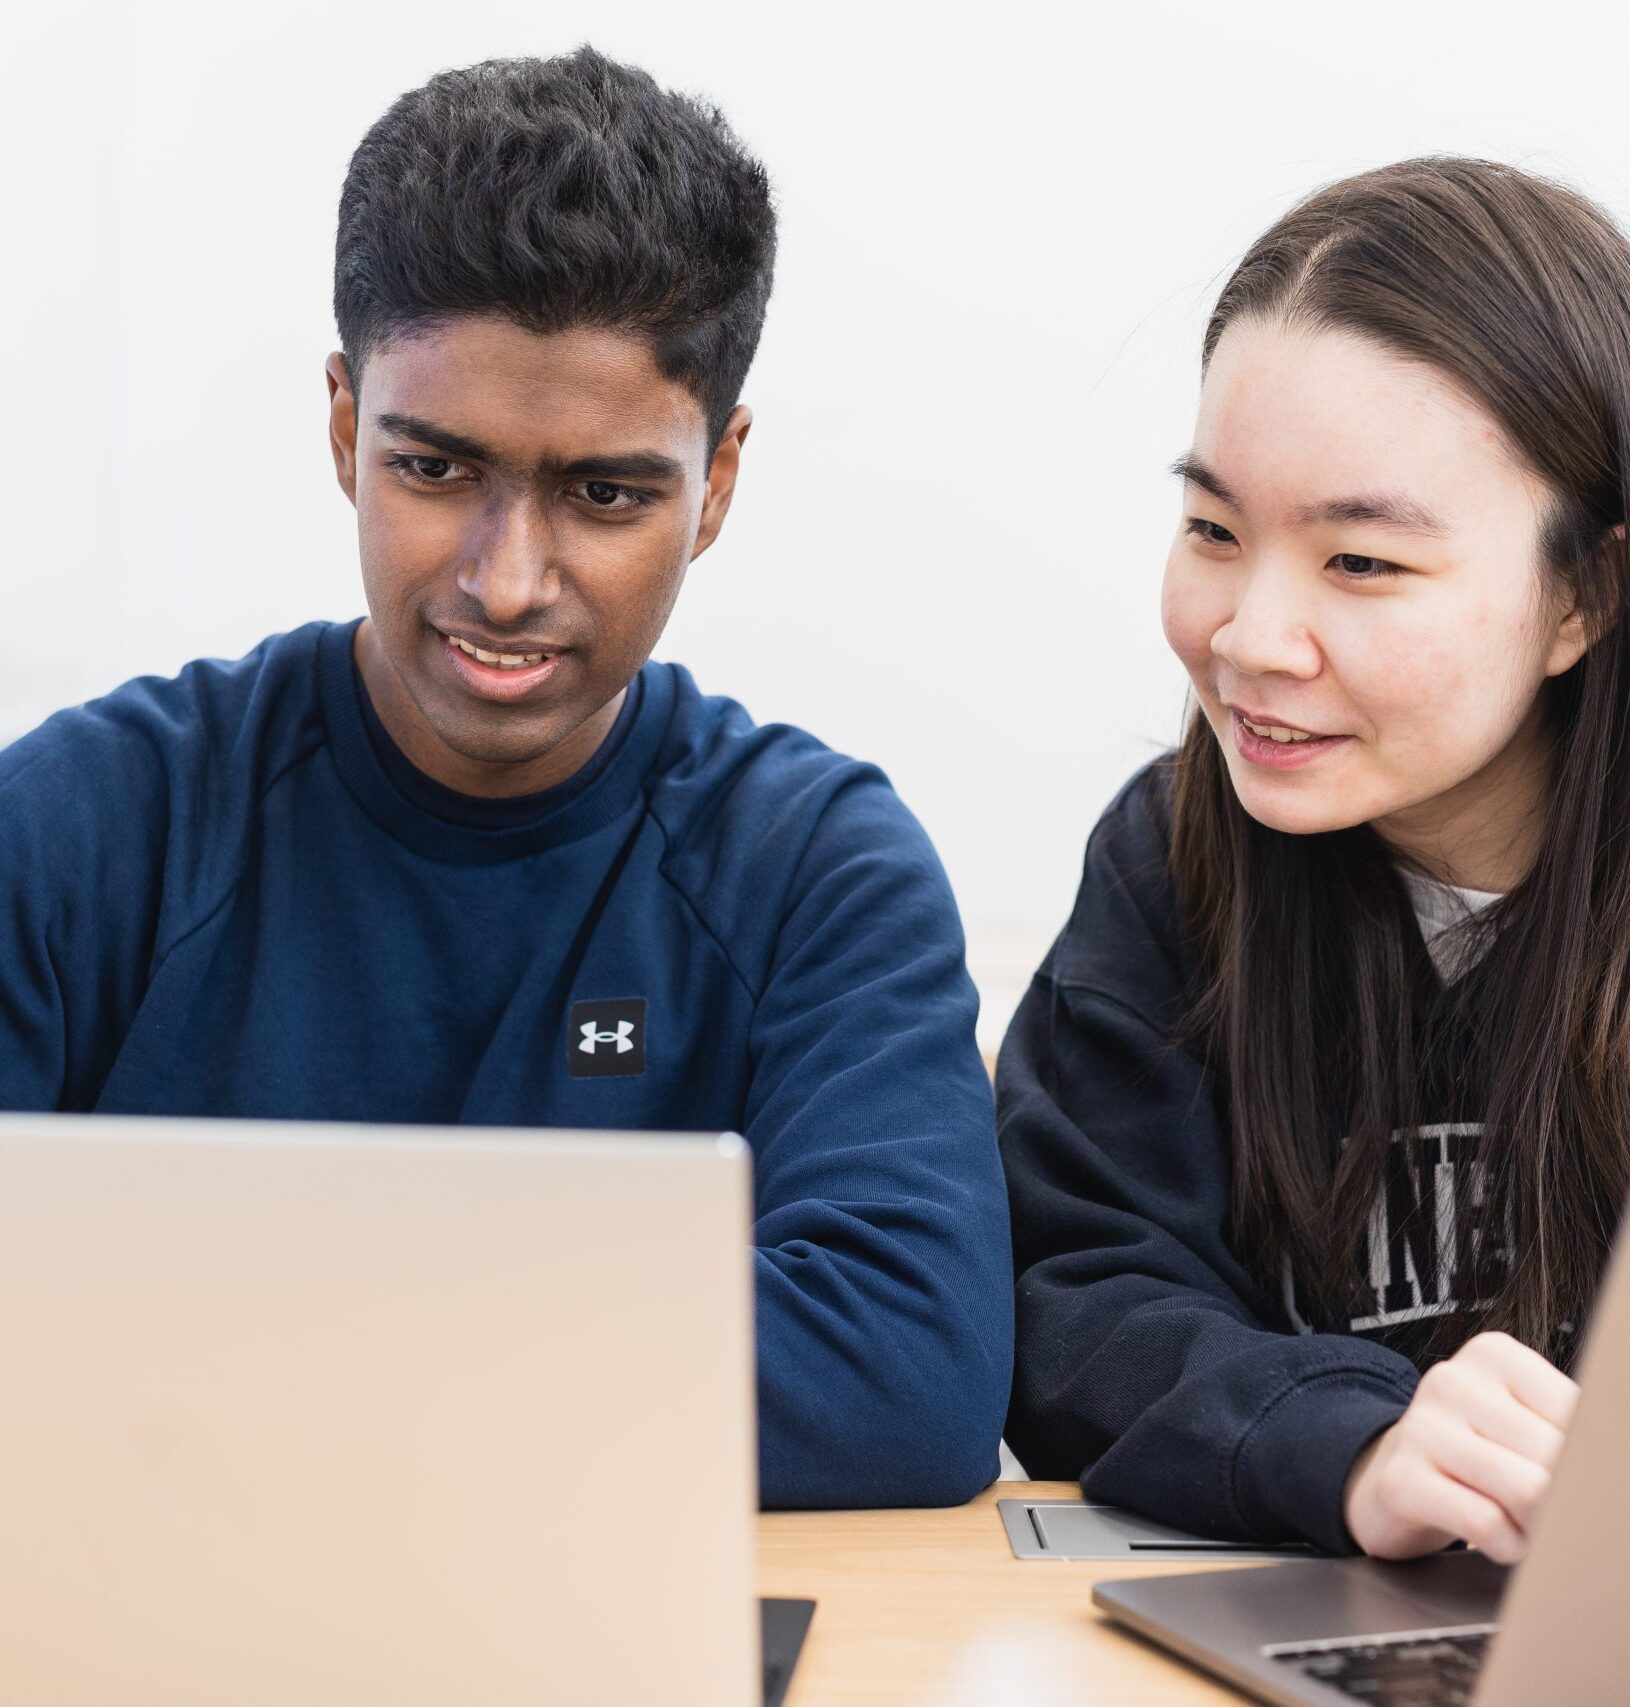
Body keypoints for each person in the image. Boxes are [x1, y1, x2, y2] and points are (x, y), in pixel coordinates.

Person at [0, 48, 1011, 1509]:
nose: (509, 578)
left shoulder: (815, 869)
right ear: (348, 428)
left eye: (606, 494)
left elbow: (907, 1381)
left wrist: (203, 1336)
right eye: (436, 471)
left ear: (716, 483)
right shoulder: (92, 824)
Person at [1000, 156, 1630, 1561]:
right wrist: (1362, 1443)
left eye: (1362, 564)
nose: (1253, 637)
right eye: (1213, 530)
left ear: (1588, 595)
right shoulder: (1171, 864)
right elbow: (1078, 1298)